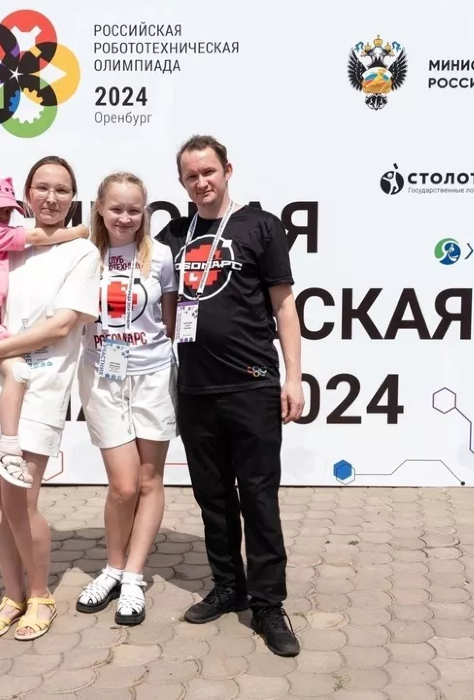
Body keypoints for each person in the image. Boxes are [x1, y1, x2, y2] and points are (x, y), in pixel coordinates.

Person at [154, 134, 305, 658]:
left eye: (209, 172)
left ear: (227, 171)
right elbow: (117, 243)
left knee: (258, 497)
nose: (201, 183)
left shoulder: (261, 226)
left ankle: (268, 604)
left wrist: (293, 378)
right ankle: (227, 586)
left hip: (252, 383)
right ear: (182, 183)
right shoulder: (174, 235)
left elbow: (284, 306)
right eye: (191, 176)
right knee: (212, 497)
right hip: (195, 388)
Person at [0, 156, 100, 642]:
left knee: (21, 498)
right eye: (42, 188)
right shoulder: (0, 236)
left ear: (73, 197)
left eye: (62, 189)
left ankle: (40, 595)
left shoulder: (82, 252)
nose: (51, 198)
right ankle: (12, 596)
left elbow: (60, 326)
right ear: (27, 194)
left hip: (39, 385)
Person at [74, 172, 178, 626]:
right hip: (101, 377)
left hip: (152, 376)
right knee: (123, 485)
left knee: (150, 480)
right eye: (116, 208)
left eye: (134, 209)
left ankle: (133, 576)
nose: (125, 217)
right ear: (99, 207)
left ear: (145, 212)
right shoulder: (82, 255)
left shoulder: (161, 256)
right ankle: (112, 567)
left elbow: (168, 322)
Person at [0, 171, 89, 488]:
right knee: (20, 371)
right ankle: (9, 448)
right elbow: (37, 236)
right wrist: (79, 231)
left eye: (6, 210)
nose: (1, 215)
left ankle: (8, 446)